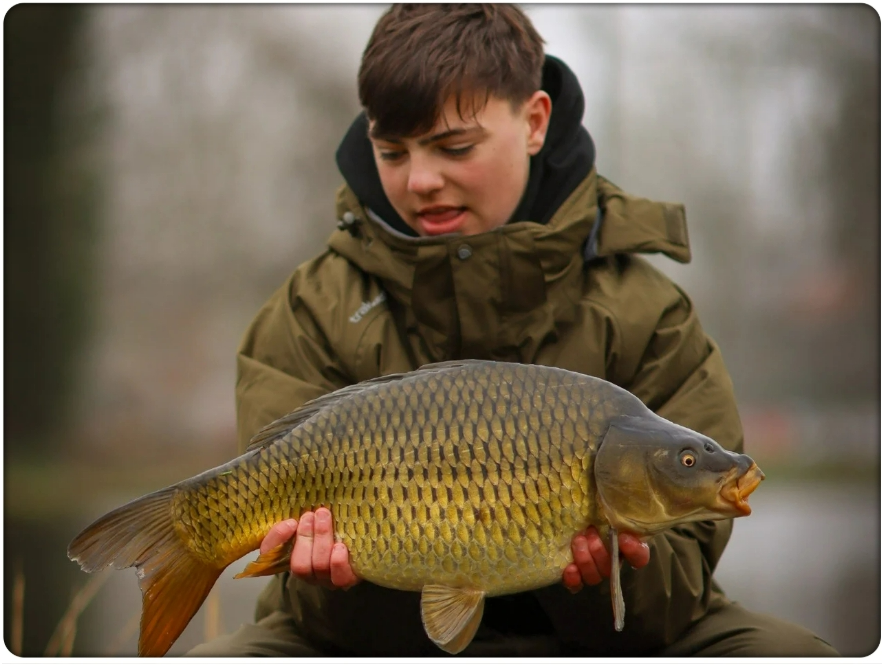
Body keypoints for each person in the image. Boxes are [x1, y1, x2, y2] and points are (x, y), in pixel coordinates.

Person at [188, 4, 838, 657]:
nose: (420, 180)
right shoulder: (312, 308)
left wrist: (604, 578)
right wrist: (335, 578)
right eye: (391, 151)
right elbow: (310, 616)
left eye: (454, 147)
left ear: (533, 122)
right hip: (372, 637)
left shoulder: (648, 311)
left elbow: (680, 594)